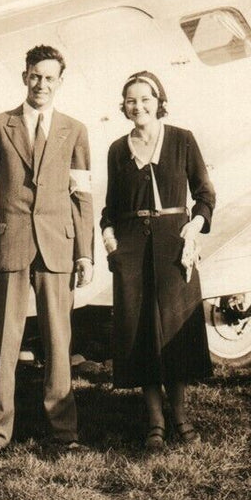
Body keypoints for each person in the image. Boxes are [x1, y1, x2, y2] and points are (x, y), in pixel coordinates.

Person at [0, 45, 94, 455]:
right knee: (5, 342)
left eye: (49, 78)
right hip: (9, 245)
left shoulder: (74, 130)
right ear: (25, 76)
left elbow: (82, 196)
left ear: (60, 82)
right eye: (35, 76)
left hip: (58, 247)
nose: (42, 84)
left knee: (59, 342)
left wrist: (84, 253)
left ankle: (64, 433)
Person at [101, 71, 215, 451]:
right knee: (141, 332)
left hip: (174, 244)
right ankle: (154, 420)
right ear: (124, 106)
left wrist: (193, 228)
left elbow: (204, 194)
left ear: (159, 101)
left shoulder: (182, 140)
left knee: (175, 328)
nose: (139, 106)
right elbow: (110, 208)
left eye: (145, 99)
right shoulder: (118, 150)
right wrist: (111, 241)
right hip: (132, 248)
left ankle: (180, 415)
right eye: (131, 100)